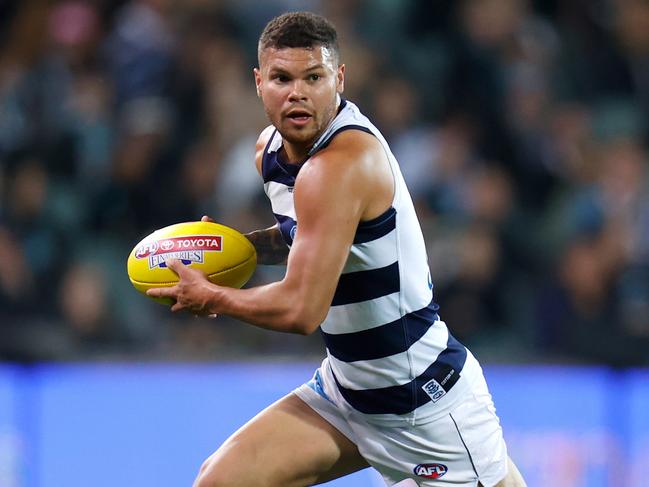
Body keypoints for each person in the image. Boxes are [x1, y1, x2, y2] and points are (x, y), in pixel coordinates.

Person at [147, 11, 527, 487]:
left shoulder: (342, 164)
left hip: (423, 407)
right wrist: (237, 249)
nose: (297, 92)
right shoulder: (270, 152)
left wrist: (214, 297)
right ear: (259, 82)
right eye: (282, 78)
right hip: (349, 393)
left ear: (339, 79)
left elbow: (302, 309)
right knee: (221, 481)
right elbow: (311, 239)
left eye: (314, 77)